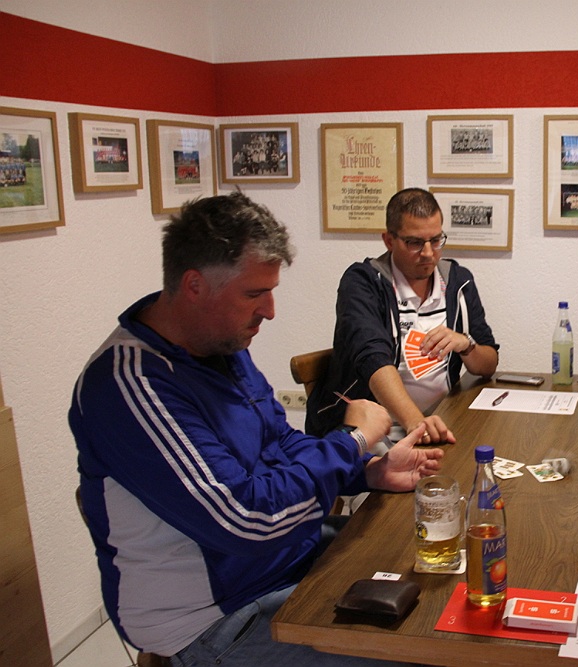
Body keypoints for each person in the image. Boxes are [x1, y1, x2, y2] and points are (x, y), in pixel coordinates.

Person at [69, 192, 443, 665]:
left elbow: (280, 442)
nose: (269, 310)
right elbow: (246, 520)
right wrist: (351, 441)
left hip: (288, 559)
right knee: (429, 652)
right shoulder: (130, 383)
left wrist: (366, 471)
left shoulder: (219, 345)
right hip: (215, 617)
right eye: (253, 294)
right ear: (194, 285)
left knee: (437, 572)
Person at [306, 188, 499, 442]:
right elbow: (373, 360)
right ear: (389, 240)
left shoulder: (457, 281)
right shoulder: (363, 282)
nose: (428, 253)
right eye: (414, 243)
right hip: (372, 430)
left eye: (436, 240)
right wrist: (416, 424)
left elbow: (489, 365)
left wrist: (466, 344)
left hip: (441, 418)